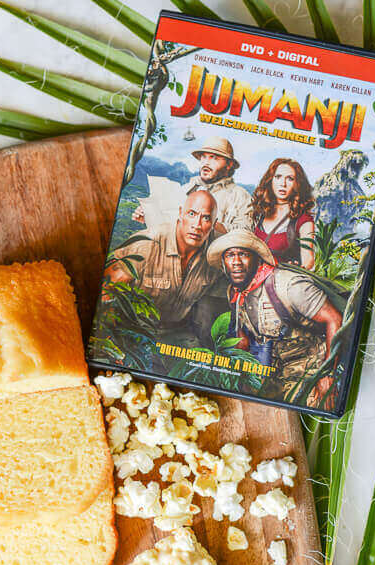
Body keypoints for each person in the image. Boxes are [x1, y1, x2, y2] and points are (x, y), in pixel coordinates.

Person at [207, 230, 342, 408]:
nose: (236, 262)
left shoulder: (288, 286)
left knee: (316, 407)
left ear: (257, 258)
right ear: (224, 263)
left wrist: (327, 375)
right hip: (279, 369)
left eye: (243, 254)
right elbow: (243, 339)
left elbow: (335, 319)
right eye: (230, 255)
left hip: (315, 364)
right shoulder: (236, 292)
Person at [106, 189, 222, 345]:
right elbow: (107, 290)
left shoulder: (220, 251)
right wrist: (111, 339)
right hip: (132, 330)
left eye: (206, 218)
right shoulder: (146, 244)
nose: (197, 225)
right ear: (181, 213)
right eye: (192, 214)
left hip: (176, 333)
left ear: (213, 224)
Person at [132, 137, 252, 234]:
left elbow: (246, 233)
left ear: (229, 164)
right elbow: (169, 225)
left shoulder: (240, 195)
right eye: (203, 157)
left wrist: (210, 223)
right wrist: (150, 216)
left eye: (214, 158)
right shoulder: (186, 189)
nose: (206, 162)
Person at [252, 158, 315, 268]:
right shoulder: (259, 213)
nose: (283, 184)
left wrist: (296, 271)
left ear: (297, 184)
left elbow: (308, 259)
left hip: (281, 281)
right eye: (278, 177)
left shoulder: (303, 220)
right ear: (270, 180)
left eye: (290, 179)